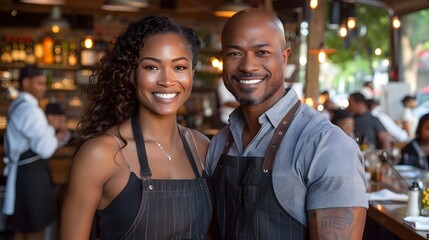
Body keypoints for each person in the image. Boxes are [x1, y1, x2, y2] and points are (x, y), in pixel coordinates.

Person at [205, 8, 368, 239]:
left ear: (283, 57)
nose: (248, 66)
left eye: (262, 52)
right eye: (234, 53)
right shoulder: (220, 142)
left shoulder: (327, 146)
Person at [60, 15, 214, 239]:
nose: (167, 80)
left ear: (192, 73)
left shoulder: (202, 148)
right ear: (131, 74)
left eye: (179, 67)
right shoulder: (102, 154)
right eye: (151, 67)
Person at [2, 65, 70, 240]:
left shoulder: (17, 105)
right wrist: (53, 129)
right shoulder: (31, 111)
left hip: (25, 174)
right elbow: (45, 149)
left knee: (22, 226)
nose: (43, 87)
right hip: (31, 176)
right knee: (35, 228)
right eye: (39, 83)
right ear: (26, 83)